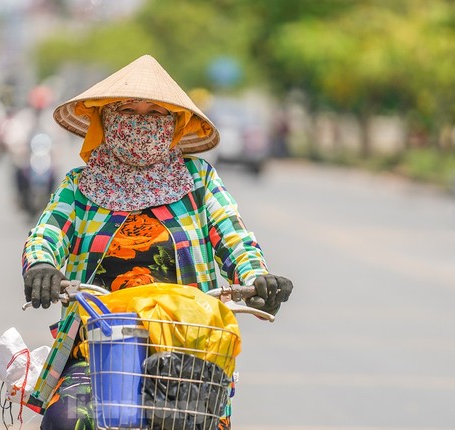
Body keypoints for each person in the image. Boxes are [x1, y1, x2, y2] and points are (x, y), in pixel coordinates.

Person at [21, 54, 293, 430]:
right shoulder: (79, 186)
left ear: (174, 124)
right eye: (128, 109)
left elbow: (235, 239)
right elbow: (47, 232)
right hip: (102, 346)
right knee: (65, 419)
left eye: (154, 113)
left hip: (186, 349)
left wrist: (259, 276)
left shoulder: (198, 181)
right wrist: (41, 264)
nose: (141, 121)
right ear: (107, 118)